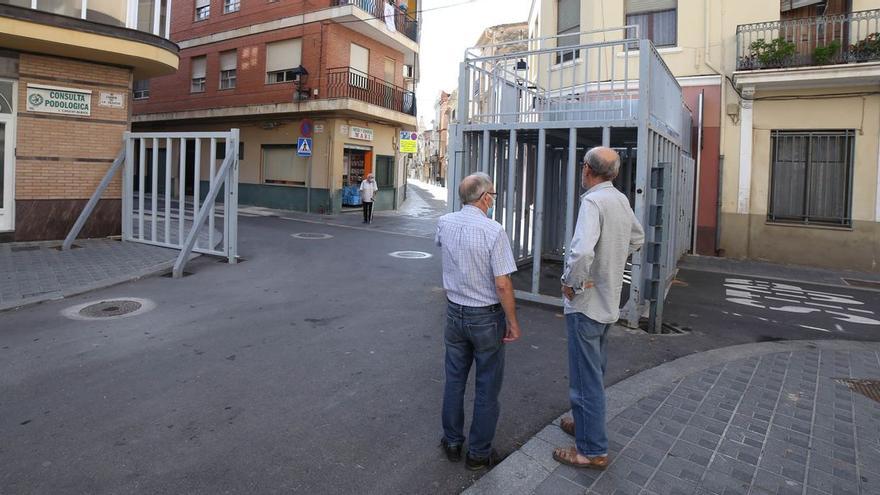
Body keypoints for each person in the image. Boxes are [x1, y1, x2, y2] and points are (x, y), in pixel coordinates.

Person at [553, 147, 644, 470]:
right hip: (608, 302)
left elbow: (580, 254)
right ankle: (584, 424)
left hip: (587, 303)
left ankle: (592, 450)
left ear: (587, 170)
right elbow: (637, 238)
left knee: (584, 379)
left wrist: (570, 283)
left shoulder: (593, 201)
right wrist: (613, 259)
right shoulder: (619, 199)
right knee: (595, 372)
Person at [435, 172, 522, 471]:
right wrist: (512, 320)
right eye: (493, 195)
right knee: (487, 386)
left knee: (454, 380)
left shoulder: (444, 223)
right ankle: (478, 453)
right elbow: (502, 284)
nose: (493, 200)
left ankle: (452, 441)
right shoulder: (493, 231)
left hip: (454, 312)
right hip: (485, 317)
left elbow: (443, 248)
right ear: (485, 198)